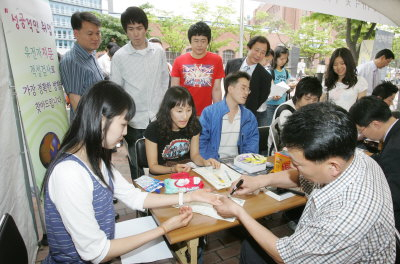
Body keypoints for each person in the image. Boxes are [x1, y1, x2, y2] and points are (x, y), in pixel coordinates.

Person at [42, 81, 221, 263]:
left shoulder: (95, 158)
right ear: (101, 119)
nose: (125, 132)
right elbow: (96, 252)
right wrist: (164, 229)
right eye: (123, 124)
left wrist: (189, 197)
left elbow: (135, 197)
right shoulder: (69, 173)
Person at [214, 102, 396, 263]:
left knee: (252, 249)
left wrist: (239, 212)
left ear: (332, 166)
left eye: (298, 163)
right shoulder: (353, 158)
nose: (293, 167)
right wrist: (259, 180)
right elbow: (302, 178)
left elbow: (284, 257)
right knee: (251, 247)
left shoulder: (345, 218)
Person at [111, 6, 169, 180]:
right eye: (130, 29)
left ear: (145, 28)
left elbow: (164, 81)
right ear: (125, 31)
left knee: (160, 162)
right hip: (135, 121)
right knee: (136, 164)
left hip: (158, 118)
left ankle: (160, 200)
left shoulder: (158, 52)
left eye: (139, 28)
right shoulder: (120, 56)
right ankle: (142, 206)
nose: (136, 34)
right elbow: (117, 90)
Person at [145, 86, 220, 175]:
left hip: (186, 170)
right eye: (179, 111)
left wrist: (205, 162)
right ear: (168, 110)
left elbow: (195, 155)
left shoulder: (193, 124)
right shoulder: (153, 129)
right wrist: (173, 169)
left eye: (188, 110)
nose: (185, 116)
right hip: (163, 173)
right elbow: (153, 167)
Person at [199, 71, 259, 160]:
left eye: (248, 89)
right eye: (243, 88)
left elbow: (252, 146)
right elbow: (202, 142)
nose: (247, 93)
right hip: (213, 163)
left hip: (239, 164)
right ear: (230, 89)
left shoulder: (249, 117)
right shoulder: (209, 113)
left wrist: (243, 162)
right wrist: (212, 162)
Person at [171, 21, 224, 115]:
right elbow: (174, 90)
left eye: (203, 41)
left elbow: (216, 89)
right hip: (184, 113)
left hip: (206, 113)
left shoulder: (217, 60)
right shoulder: (179, 61)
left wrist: (218, 112)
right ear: (190, 41)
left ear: (208, 41)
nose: (199, 45)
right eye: (196, 41)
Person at [60, 12, 104, 121]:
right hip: (89, 128)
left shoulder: (91, 54)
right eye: (90, 34)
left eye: (98, 33)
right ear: (76, 34)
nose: (95, 38)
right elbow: (76, 102)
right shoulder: (72, 61)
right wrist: (98, 126)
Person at [268, 76, 322, 155]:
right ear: (297, 96)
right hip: (279, 156)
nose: (311, 103)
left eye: (315, 100)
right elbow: (291, 141)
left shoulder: (310, 110)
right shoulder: (286, 111)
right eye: (307, 99)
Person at [225, 36, 272, 121]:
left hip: (246, 117)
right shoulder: (231, 64)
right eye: (256, 50)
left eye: (263, 52)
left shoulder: (265, 76)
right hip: (226, 111)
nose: (259, 55)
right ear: (248, 48)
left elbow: (261, 99)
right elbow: (226, 85)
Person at [265, 45, 294, 126]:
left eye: (285, 58)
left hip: (282, 104)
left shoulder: (286, 72)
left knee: (279, 126)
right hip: (270, 105)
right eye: (281, 59)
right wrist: (273, 94)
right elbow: (267, 89)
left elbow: (288, 89)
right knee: (268, 126)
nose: (284, 61)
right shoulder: (269, 71)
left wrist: (291, 87)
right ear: (275, 58)